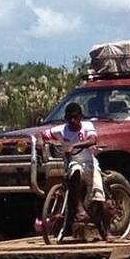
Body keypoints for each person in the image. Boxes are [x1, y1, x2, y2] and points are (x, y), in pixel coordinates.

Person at [41, 102, 107, 240]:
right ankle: (79, 208)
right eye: (69, 118)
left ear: (80, 117)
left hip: (90, 163)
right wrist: (50, 143)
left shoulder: (88, 126)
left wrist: (74, 145)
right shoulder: (61, 130)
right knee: (75, 171)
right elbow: (44, 134)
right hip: (73, 162)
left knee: (98, 194)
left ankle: (105, 232)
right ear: (66, 118)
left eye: (75, 118)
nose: (73, 121)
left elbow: (93, 140)